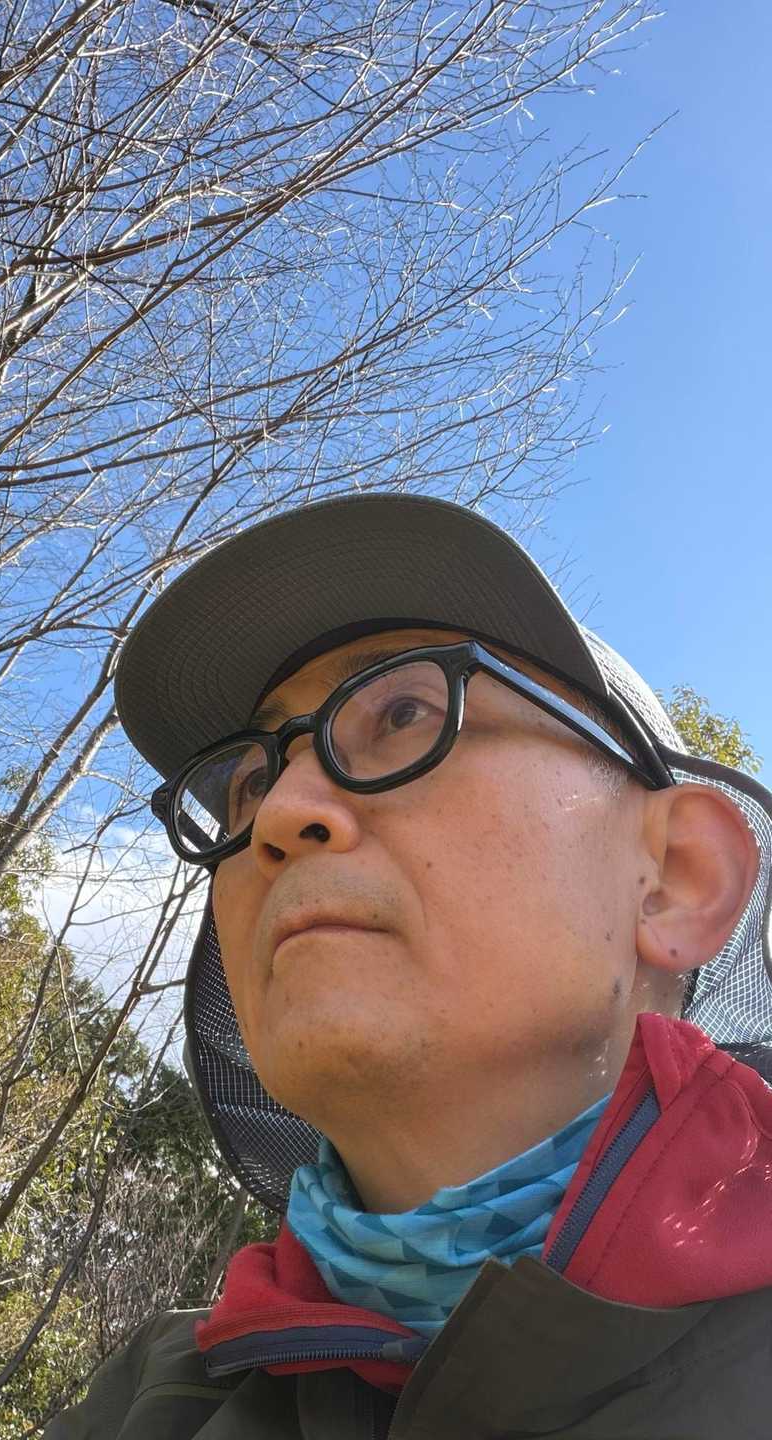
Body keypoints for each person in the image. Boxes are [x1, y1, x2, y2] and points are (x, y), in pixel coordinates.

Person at [48, 492, 772, 1438]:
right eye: (253, 779)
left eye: (403, 711)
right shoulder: (157, 1398)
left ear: (675, 878)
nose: (277, 816)